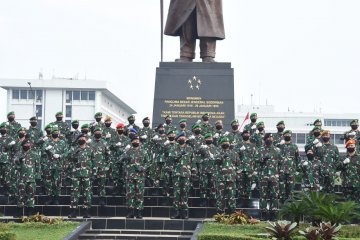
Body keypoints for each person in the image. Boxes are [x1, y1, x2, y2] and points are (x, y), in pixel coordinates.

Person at [122, 136, 149, 219]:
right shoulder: (128, 152)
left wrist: (143, 168)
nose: (136, 141)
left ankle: (139, 212)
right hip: (130, 176)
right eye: (134, 140)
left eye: (137, 140)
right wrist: (124, 153)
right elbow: (120, 161)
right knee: (130, 194)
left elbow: (148, 163)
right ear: (131, 142)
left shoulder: (143, 151)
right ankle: (130, 212)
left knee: (139, 194)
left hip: (140, 177)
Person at [68, 134, 94, 218]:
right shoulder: (75, 149)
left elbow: (94, 162)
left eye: (83, 139)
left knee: (87, 193)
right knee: (75, 193)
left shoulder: (90, 150)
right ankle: (73, 211)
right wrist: (76, 150)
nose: (81, 140)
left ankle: (86, 212)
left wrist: (94, 173)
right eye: (80, 139)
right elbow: (70, 158)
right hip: (76, 174)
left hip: (87, 174)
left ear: (86, 140)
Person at [169, 132, 193, 219]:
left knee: (185, 193)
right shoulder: (173, 148)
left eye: (183, 137)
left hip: (186, 173)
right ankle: (176, 212)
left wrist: (193, 172)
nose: (182, 139)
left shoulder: (189, 148)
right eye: (180, 138)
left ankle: (184, 212)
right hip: (177, 173)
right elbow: (172, 159)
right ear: (178, 139)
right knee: (176, 193)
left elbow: (192, 161)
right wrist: (180, 154)